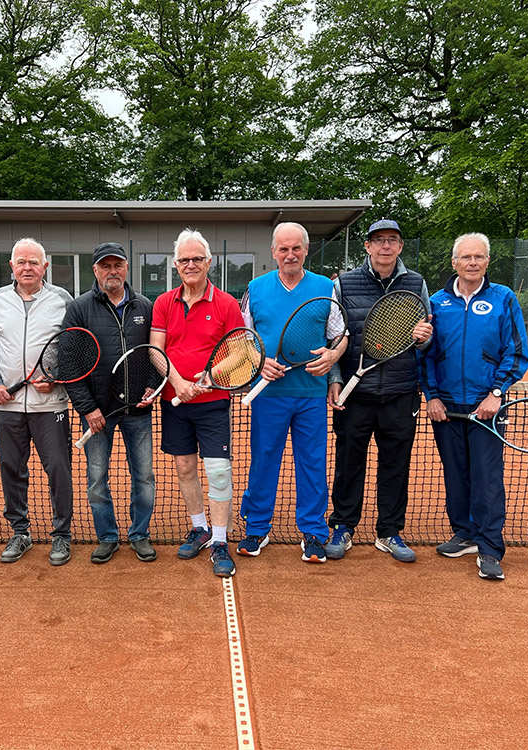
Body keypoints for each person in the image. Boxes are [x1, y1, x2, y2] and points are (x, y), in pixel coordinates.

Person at [419, 233, 528, 581]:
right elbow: (426, 355)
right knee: (456, 473)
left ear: (487, 262)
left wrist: (496, 394)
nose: (472, 263)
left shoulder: (504, 299)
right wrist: (432, 396)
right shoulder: (436, 303)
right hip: (446, 406)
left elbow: (515, 351)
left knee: (487, 478)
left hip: (488, 406)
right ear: (453, 263)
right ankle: (465, 532)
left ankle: (489, 548)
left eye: (478, 257)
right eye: (465, 257)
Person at [238, 222, 347, 564]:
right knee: (264, 461)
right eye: (283, 249)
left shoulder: (325, 287)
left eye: (296, 248)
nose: (290, 255)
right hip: (268, 395)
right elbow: (245, 341)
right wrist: (259, 365)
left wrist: (333, 358)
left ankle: (314, 533)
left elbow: (339, 336)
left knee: (313, 464)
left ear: (305, 249)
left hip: (311, 395)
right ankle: (257, 527)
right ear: (273, 252)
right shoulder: (255, 289)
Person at [327, 219, 433, 563]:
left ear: (400, 246)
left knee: (396, 465)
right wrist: (336, 380)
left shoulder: (416, 283)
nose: (385, 246)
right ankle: (342, 527)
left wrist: (423, 338)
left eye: (392, 240)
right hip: (357, 395)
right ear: (368, 246)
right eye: (378, 240)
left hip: (401, 393)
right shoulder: (343, 283)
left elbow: (427, 334)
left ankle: (389, 531)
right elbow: (334, 338)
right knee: (348, 465)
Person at [151, 229, 245, 577]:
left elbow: (240, 351)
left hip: (213, 401)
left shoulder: (226, 304)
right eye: (184, 260)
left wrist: (205, 381)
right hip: (175, 400)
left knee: (218, 472)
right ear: (176, 265)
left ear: (209, 262)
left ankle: (220, 540)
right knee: (185, 468)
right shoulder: (163, 303)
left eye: (197, 259)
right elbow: (156, 350)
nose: (191, 265)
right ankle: (199, 527)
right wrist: (178, 382)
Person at [0, 238, 75, 566]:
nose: (27, 268)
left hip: (51, 406)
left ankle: (61, 535)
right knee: (11, 469)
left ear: (45, 267)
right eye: (21, 262)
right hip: (8, 405)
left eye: (34, 262)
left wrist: (57, 376)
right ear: (11, 267)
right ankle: (20, 532)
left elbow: (73, 347)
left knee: (58, 470)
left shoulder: (62, 300)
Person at [62, 242, 158, 564]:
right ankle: (107, 537)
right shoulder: (78, 309)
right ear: (95, 271)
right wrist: (88, 408)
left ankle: (139, 535)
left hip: (137, 412)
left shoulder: (145, 306)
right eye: (106, 266)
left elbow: (157, 356)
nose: (112, 271)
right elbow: (70, 364)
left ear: (127, 268)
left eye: (118, 265)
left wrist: (151, 387)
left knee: (143, 477)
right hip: (97, 414)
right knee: (96, 478)